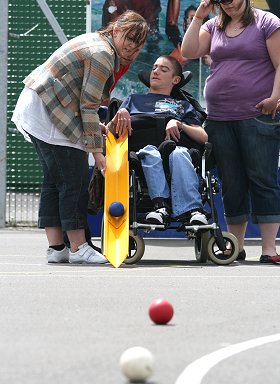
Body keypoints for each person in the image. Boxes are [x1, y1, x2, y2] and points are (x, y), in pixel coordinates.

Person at [11, 11, 148, 265]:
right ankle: (78, 248)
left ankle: (56, 248)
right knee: (73, 181)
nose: (132, 48)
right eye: (130, 38)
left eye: (138, 45)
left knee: (55, 181)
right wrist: (97, 153)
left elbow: (78, 98)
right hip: (48, 113)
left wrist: (97, 127)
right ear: (116, 30)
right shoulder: (104, 55)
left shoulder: (98, 42)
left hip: (40, 107)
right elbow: (87, 106)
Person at [181, 0, 280, 263]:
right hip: (219, 118)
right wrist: (199, 16)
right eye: (223, 0)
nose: (230, 4)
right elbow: (188, 50)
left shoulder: (266, 22)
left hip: (259, 115)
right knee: (232, 183)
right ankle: (236, 245)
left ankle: (269, 248)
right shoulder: (213, 26)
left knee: (262, 179)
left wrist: (274, 97)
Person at [107, 55, 209, 226]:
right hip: (143, 152)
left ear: (176, 79)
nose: (156, 71)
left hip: (174, 150)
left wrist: (179, 123)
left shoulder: (183, 106)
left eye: (164, 69)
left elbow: (203, 136)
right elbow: (109, 132)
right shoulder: (133, 100)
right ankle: (160, 206)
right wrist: (119, 115)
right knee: (150, 152)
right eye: (154, 67)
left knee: (179, 153)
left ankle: (193, 210)